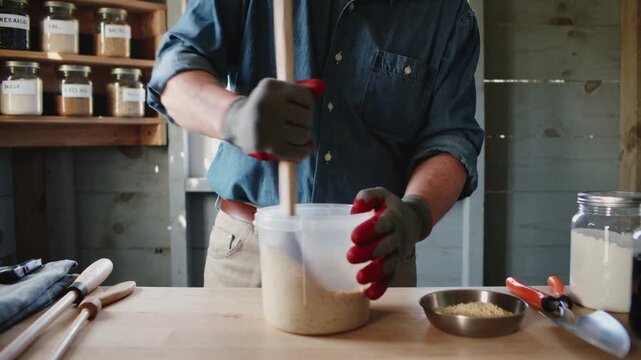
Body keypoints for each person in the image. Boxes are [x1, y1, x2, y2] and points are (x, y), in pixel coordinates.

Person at [148, 0, 484, 300]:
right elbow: (174, 75)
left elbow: (451, 139)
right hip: (249, 251)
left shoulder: (448, 13)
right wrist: (234, 117)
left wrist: (415, 215)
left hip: (373, 257)